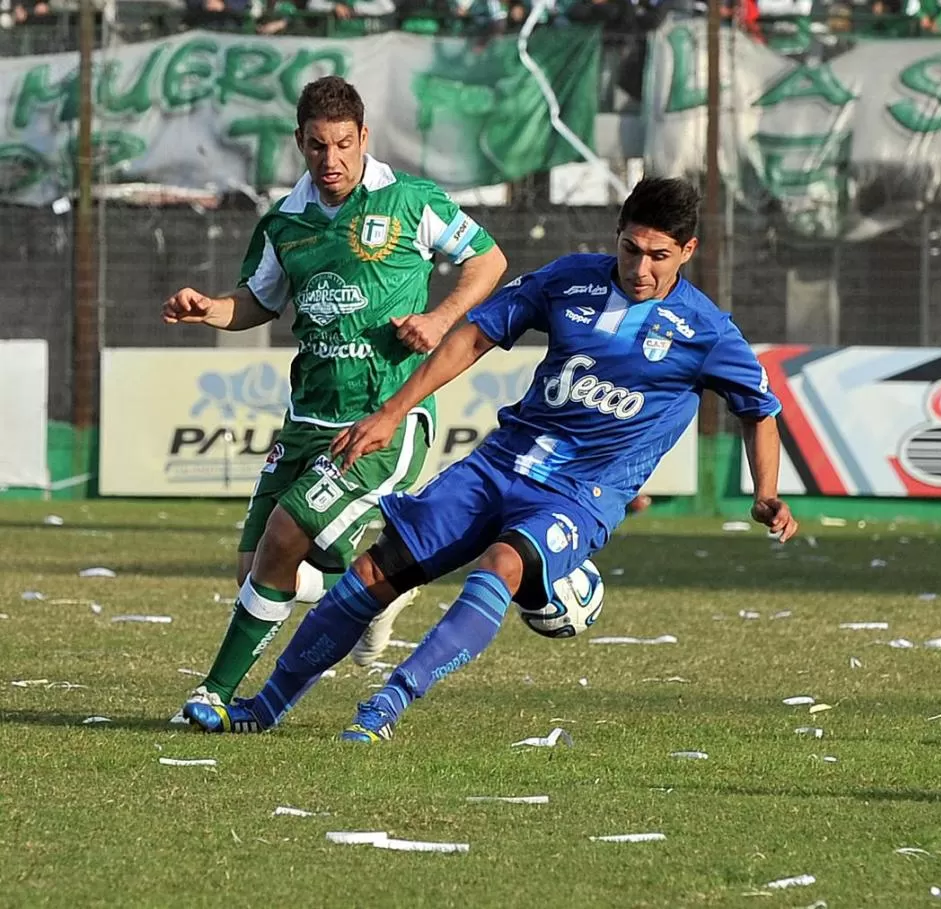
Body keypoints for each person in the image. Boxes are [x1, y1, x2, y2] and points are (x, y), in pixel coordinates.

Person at [184, 175, 797, 741]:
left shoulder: (706, 331)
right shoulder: (569, 278)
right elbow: (474, 336)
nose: (639, 268)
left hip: (580, 495)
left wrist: (765, 490)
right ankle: (262, 709)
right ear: (618, 236)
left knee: (503, 562)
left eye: (658, 256)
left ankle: (388, 702)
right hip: (500, 464)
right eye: (631, 249)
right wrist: (393, 412)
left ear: (686, 252)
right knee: (375, 574)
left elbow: (759, 410)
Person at [162, 75, 507, 717]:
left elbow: (487, 261)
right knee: (256, 571)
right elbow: (258, 301)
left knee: (287, 533)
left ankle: (214, 693)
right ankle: (382, 585)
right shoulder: (284, 223)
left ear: (364, 138)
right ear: (300, 143)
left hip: (381, 419)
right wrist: (210, 308)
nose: (332, 161)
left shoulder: (409, 202)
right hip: (305, 420)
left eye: (343, 145)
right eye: (318, 147)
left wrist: (437, 321)